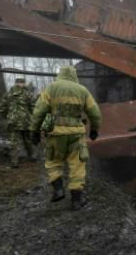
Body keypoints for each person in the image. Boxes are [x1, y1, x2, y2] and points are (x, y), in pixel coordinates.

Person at [29, 66, 101, 210]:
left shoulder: (51, 88)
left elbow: (38, 112)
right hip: (76, 135)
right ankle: (76, 201)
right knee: (77, 165)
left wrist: (34, 132)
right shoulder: (82, 90)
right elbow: (95, 113)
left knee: (53, 161)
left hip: (55, 134)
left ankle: (58, 189)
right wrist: (94, 130)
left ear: (60, 74)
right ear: (74, 75)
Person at [0, 78, 36, 168]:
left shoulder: (7, 94)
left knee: (14, 141)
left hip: (12, 121)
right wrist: (32, 117)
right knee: (28, 139)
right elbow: (34, 107)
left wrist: (7, 116)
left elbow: (1, 107)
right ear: (22, 83)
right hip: (25, 121)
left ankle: (14, 161)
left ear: (15, 83)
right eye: (23, 83)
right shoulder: (27, 94)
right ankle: (32, 156)